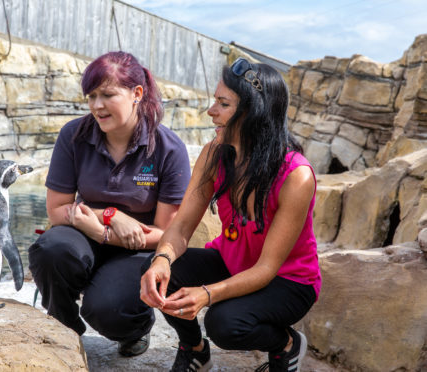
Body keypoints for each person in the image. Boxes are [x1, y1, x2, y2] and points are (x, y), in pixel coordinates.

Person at [140, 58, 321, 372]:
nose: (211, 111)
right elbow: (181, 226)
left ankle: (287, 345)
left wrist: (208, 294)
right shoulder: (214, 154)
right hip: (232, 260)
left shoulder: (296, 175)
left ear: (254, 113)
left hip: (287, 281)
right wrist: (161, 260)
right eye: (215, 101)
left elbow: (266, 268)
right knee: (159, 270)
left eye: (222, 104)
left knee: (224, 323)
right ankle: (195, 350)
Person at [28, 51, 191, 357]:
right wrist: (110, 216)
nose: (96, 106)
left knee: (107, 310)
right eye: (91, 96)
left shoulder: (168, 149)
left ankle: (135, 327)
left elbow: (167, 233)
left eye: (107, 95)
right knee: (51, 249)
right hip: (83, 230)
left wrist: (105, 234)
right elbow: (56, 210)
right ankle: (64, 330)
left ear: (136, 94)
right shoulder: (73, 135)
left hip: (138, 248)